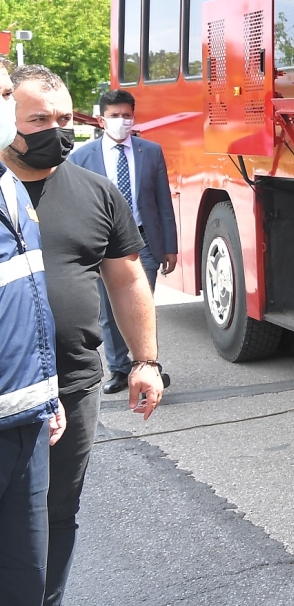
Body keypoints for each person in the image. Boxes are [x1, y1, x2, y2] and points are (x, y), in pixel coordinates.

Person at [4, 68, 161, 606]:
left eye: (63, 119)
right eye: (38, 120)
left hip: (73, 384)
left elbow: (126, 279)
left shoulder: (96, 191)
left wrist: (145, 360)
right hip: (6, 390)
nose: (55, 131)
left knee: (56, 512)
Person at [0, 62, 74, 606]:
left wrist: (47, 392)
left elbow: (26, 304)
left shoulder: (12, 194)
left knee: (21, 582)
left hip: (23, 423)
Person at [72, 89, 177, 396]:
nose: (121, 121)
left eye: (126, 115)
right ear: (101, 119)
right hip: (103, 243)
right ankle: (118, 368)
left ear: (134, 117)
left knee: (141, 305)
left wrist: (169, 246)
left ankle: (145, 365)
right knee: (108, 308)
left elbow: (162, 202)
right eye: (115, 116)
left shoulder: (151, 151)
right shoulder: (82, 157)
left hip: (143, 240)